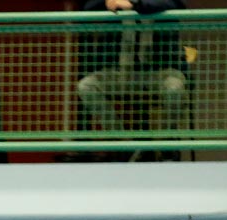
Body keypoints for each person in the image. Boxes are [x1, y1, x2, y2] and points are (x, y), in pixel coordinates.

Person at [75, 0, 189, 161]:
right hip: (120, 72)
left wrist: (135, 4)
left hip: (157, 72)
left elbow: (175, 4)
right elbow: (87, 6)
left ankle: (166, 144)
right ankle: (123, 143)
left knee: (175, 88)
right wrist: (109, 1)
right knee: (86, 86)